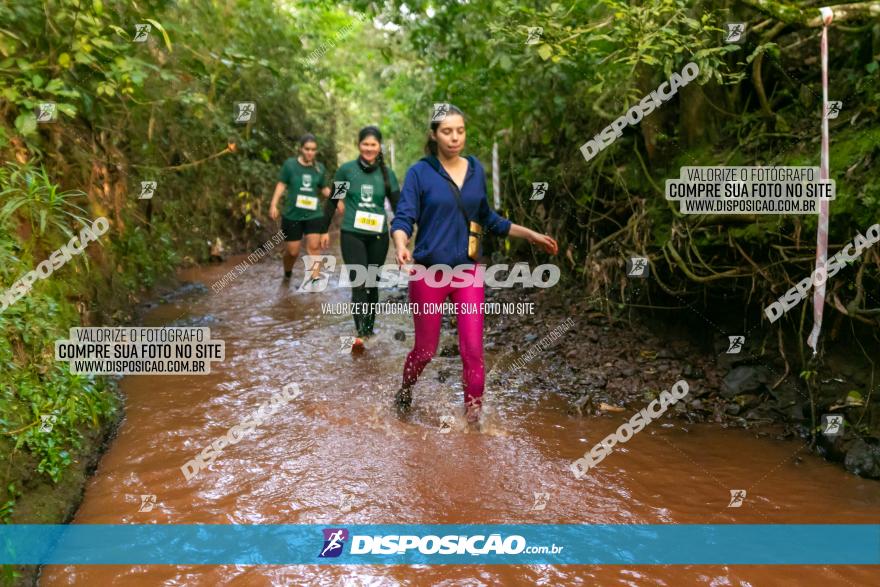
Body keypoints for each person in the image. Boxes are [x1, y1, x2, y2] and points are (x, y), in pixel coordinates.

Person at [391, 105, 558, 423]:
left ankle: (473, 421)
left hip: (467, 271)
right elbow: (403, 218)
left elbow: (488, 218)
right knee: (426, 350)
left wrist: (532, 235)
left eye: (460, 130)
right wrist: (401, 245)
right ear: (433, 135)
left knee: (472, 350)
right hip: (429, 273)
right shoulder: (420, 172)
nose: (455, 138)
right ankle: (406, 389)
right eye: (447, 131)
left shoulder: (475, 170)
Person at [323, 126, 400, 353]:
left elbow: (399, 206)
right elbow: (332, 202)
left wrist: (403, 232)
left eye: (373, 144)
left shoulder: (387, 174)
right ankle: (362, 335)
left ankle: (369, 328)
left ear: (379, 147)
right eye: (365, 144)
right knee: (359, 283)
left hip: (378, 236)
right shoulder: (347, 171)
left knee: (372, 284)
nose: (369, 148)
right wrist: (322, 230)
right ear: (359, 145)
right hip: (352, 234)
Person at [269, 133, 331, 282]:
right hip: (292, 215)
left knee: (314, 247)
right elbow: (282, 184)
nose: (310, 152)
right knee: (292, 252)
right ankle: (287, 273)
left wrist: (339, 199)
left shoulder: (319, 168)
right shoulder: (290, 165)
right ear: (301, 149)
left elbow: (324, 188)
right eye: (307, 149)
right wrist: (273, 204)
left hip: (314, 214)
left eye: (313, 149)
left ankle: (315, 280)